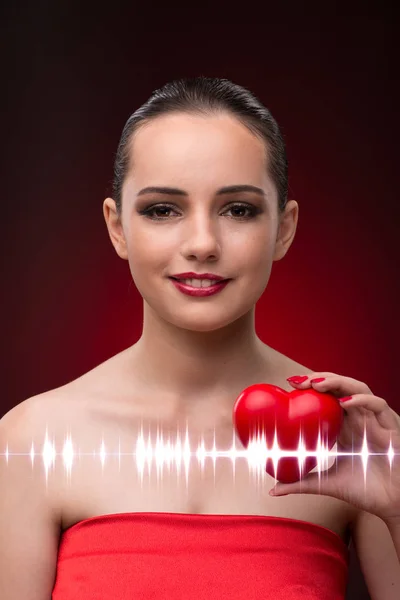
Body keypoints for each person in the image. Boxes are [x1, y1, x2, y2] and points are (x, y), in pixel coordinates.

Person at [1, 76, 399, 599]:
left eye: (238, 209)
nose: (202, 244)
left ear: (283, 227)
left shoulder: (347, 442)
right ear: (117, 227)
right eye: (162, 210)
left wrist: (397, 504)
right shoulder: (33, 441)